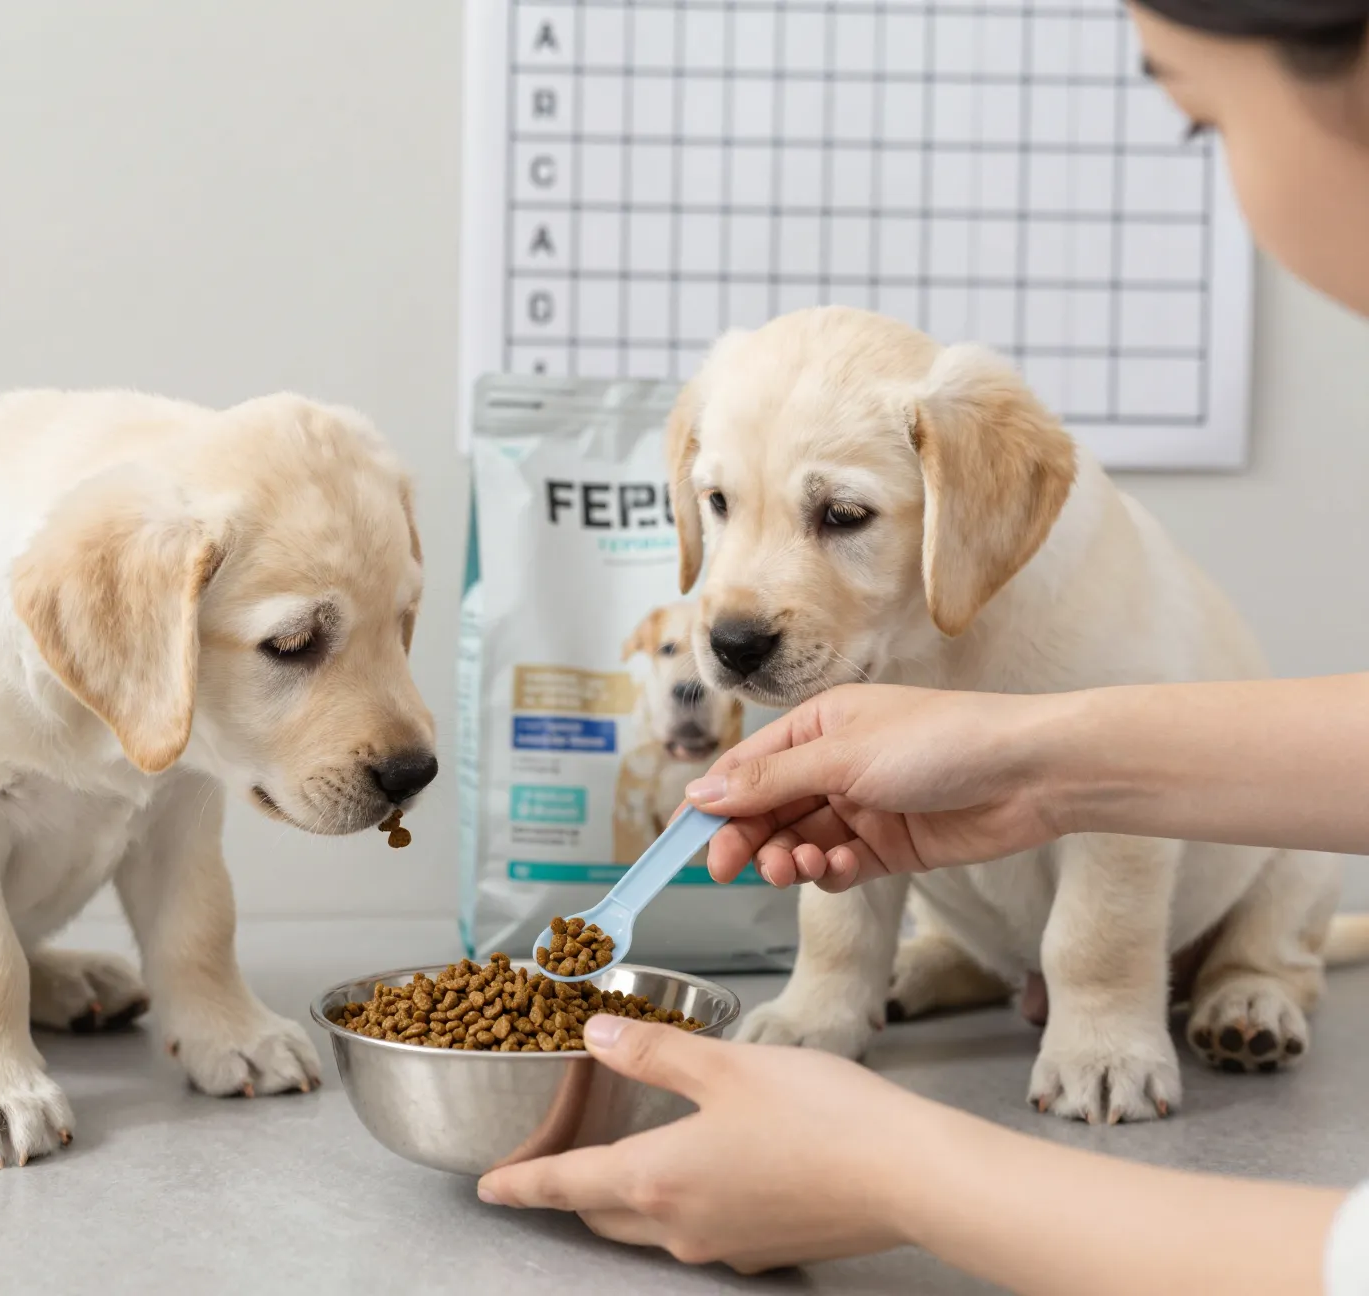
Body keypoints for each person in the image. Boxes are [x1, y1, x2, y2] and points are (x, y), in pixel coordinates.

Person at [475, 3, 1369, 1292]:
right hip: (1003, 933)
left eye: (840, 518)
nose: (740, 596)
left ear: (972, 507)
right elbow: (920, 797)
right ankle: (924, 968)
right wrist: (833, 982)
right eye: (720, 504)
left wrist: (1089, 1015)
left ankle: (1257, 961)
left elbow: (1121, 809)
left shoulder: (1048, 547)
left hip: (1206, 911)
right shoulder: (829, 594)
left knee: (1264, 881)